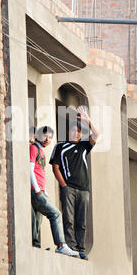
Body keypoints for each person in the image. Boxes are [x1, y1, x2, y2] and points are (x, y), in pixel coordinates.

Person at [49, 106, 99, 260]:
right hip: (68, 188)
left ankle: (80, 249)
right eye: (73, 131)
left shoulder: (84, 146)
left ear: (80, 133)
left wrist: (87, 121)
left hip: (84, 189)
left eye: (78, 131)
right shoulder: (60, 147)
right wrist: (63, 185)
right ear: (68, 132)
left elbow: (96, 135)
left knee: (81, 221)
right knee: (68, 220)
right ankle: (70, 248)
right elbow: (55, 167)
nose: (75, 133)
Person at [30, 126, 79, 257]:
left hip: (40, 190)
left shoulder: (41, 151)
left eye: (50, 138)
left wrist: (44, 190)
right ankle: (61, 245)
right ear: (38, 136)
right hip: (35, 190)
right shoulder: (34, 148)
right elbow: (30, 170)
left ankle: (35, 245)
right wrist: (37, 190)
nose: (47, 139)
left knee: (36, 220)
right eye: (45, 136)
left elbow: (40, 172)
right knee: (56, 214)